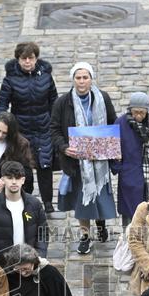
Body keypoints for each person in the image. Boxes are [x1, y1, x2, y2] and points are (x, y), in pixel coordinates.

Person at [50, 62, 117, 255]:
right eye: (78, 78)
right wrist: (64, 148)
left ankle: (101, 224)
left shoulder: (103, 98)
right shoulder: (62, 102)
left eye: (85, 77)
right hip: (77, 163)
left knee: (100, 197)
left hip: (100, 161)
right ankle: (85, 236)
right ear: (73, 80)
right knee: (83, 200)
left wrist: (112, 146)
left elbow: (113, 123)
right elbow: (54, 129)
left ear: (91, 79)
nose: (81, 81)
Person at [0, 42, 59, 213]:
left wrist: (55, 122)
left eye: (31, 58)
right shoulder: (10, 79)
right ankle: (25, 199)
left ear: (36, 58)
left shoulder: (46, 76)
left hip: (43, 127)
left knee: (45, 165)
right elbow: (2, 103)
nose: (28, 62)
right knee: (23, 167)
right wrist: (2, 121)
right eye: (24, 58)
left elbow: (54, 100)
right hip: (21, 130)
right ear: (18, 59)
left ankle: (47, 202)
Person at [111, 92, 149, 226]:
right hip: (129, 178)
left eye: (142, 113)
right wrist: (118, 165)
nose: (138, 116)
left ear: (147, 110)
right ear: (130, 110)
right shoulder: (120, 123)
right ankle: (129, 237)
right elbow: (112, 149)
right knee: (130, 218)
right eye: (135, 112)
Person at [0, 161, 47, 262]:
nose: (14, 182)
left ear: (23, 180)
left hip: (28, 263)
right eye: (10, 178)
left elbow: (43, 232)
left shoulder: (34, 204)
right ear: (3, 180)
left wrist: (39, 256)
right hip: (0, 266)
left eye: (17, 178)